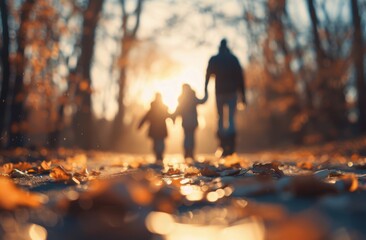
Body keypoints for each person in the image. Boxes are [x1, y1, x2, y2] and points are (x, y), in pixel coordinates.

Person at [204, 38, 246, 157]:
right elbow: (240, 77)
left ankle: (222, 146)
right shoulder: (233, 59)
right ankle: (231, 147)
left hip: (219, 92)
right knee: (231, 119)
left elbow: (207, 75)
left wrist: (205, 90)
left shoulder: (214, 59)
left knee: (220, 118)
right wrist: (243, 95)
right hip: (232, 92)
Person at [173, 84, 207, 159]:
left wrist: (174, 118)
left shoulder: (181, 99)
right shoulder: (192, 97)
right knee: (191, 137)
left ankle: (187, 152)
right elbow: (202, 101)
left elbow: (178, 111)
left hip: (186, 122)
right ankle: (190, 152)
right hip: (193, 122)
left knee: (186, 137)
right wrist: (206, 91)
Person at [138, 93, 171, 161]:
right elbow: (169, 116)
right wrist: (173, 118)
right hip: (161, 129)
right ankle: (159, 155)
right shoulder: (163, 108)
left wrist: (140, 125)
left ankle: (158, 154)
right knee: (160, 142)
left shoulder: (153, 109)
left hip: (154, 130)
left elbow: (145, 118)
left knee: (156, 142)